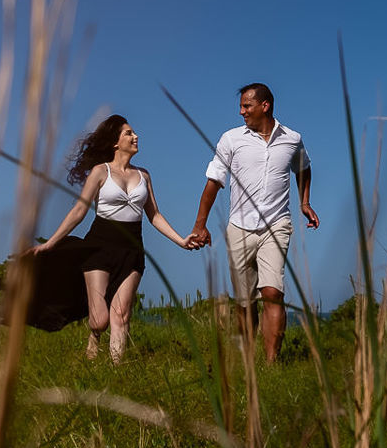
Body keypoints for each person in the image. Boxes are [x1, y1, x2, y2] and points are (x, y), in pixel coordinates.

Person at [33, 114, 192, 362]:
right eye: (128, 133)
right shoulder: (100, 172)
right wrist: (51, 243)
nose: (135, 136)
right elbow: (78, 211)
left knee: (121, 314)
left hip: (132, 249)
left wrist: (181, 240)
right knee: (100, 321)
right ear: (115, 142)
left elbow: (155, 215)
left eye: (133, 132)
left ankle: (117, 373)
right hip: (99, 248)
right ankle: (93, 337)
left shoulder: (144, 175)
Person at [186, 83, 318, 361]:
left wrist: (304, 203)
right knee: (244, 303)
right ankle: (248, 361)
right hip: (239, 228)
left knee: (272, 293)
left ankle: (271, 365)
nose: (241, 111)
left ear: (264, 106)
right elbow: (214, 182)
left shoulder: (292, 139)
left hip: (276, 225)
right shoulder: (231, 139)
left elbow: (304, 168)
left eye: (246, 106)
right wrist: (200, 224)